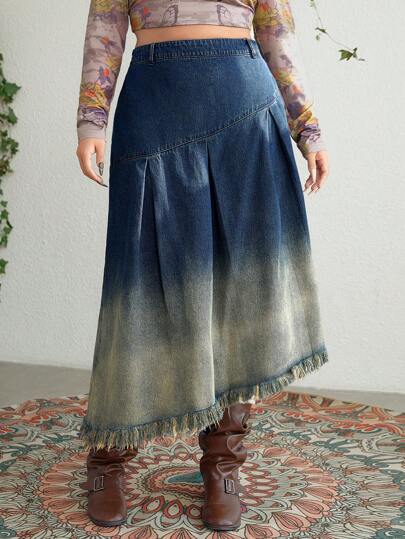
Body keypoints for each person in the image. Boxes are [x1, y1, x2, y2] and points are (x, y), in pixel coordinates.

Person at [75, 0, 330, 531]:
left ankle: (222, 465)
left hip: (246, 113)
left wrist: (307, 128)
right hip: (155, 109)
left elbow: (276, 33)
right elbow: (104, 30)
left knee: (240, 293)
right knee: (135, 287)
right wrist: (91, 122)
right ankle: (108, 456)